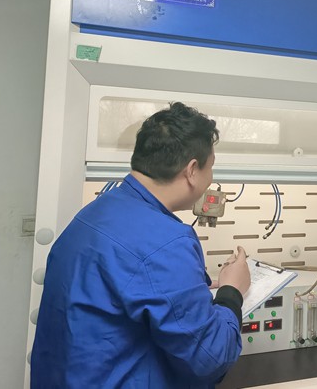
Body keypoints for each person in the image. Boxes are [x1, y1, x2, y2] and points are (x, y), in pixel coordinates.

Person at [31, 102, 251, 388]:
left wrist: (192, 292)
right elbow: (212, 357)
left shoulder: (94, 214)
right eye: (211, 167)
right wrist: (232, 291)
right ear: (192, 170)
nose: (211, 178)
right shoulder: (166, 241)